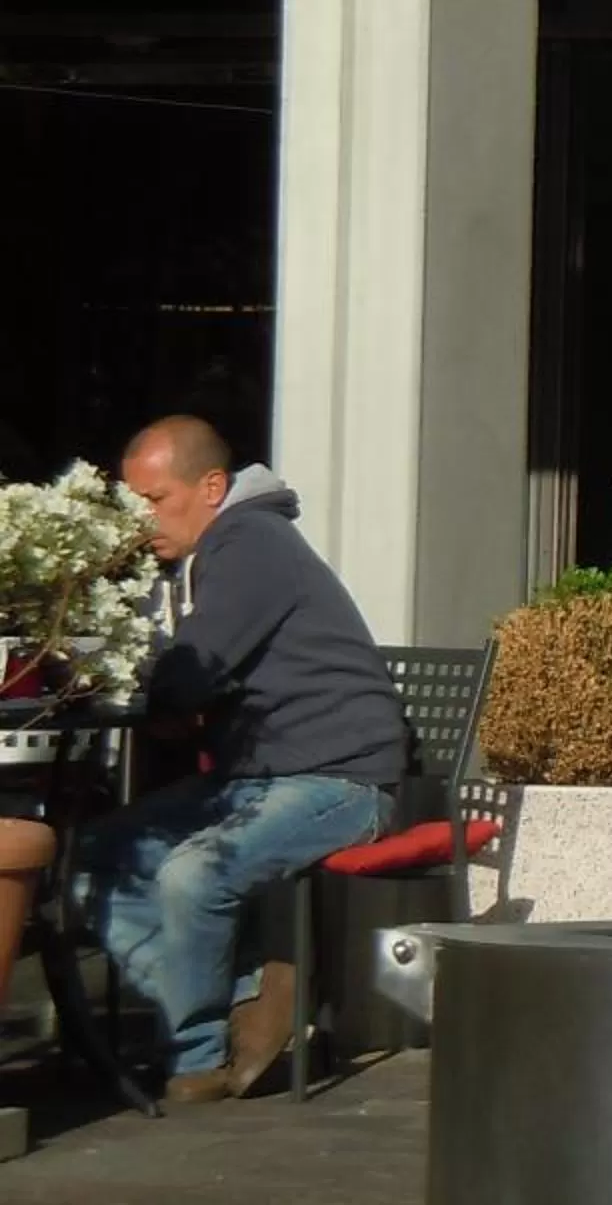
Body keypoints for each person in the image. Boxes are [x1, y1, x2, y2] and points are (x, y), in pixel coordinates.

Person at [71, 417, 408, 1105]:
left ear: (213, 487)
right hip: (255, 778)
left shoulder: (250, 541)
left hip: (339, 778)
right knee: (92, 862)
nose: (143, 522)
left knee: (190, 876)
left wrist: (165, 686)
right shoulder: (212, 554)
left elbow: (193, 669)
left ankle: (197, 1063)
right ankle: (246, 994)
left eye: (156, 500)